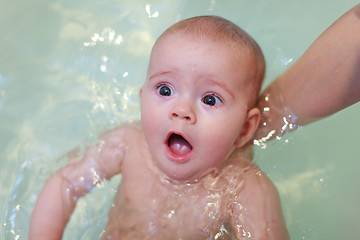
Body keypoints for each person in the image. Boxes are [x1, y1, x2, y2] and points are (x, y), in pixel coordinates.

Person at [29, 16, 289, 240]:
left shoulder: (244, 189)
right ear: (142, 97)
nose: (181, 110)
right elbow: (64, 184)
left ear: (244, 129)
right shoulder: (127, 144)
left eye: (210, 99)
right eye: (165, 90)